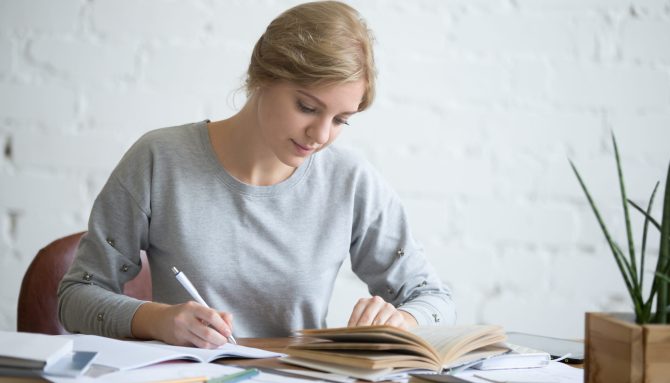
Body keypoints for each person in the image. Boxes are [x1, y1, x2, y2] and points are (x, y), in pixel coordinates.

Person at [57, 0, 456, 348]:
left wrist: (402, 321)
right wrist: (156, 320)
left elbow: (435, 300)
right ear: (263, 77)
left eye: (341, 120)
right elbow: (76, 296)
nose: (320, 135)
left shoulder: (350, 181)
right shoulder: (160, 159)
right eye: (307, 107)